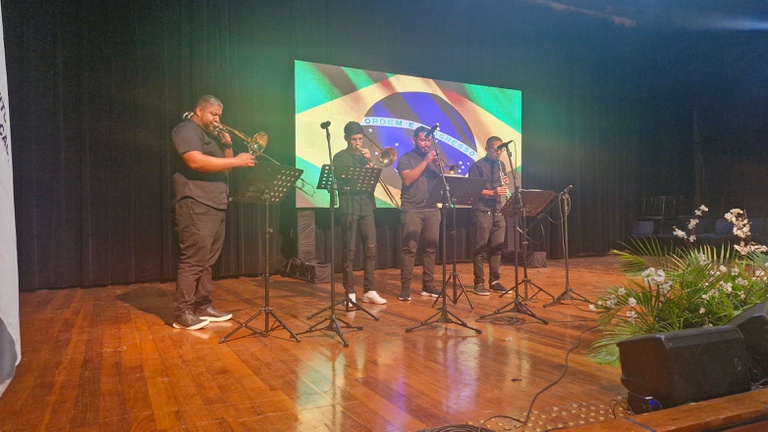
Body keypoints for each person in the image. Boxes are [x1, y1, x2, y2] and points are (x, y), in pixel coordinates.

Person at [171, 95, 256, 330]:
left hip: (215, 204)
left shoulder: (210, 138)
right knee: (193, 261)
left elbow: (225, 170)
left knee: (207, 262)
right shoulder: (186, 129)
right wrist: (237, 160)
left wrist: (227, 147)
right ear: (199, 111)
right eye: (213, 114)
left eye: (219, 115)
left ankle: (202, 305)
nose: (217, 119)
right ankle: (182, 312)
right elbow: (195, 162)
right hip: (196, 202)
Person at [332, 121, 387, 305]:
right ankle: (349, 292)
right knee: (349, 251)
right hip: (349, 207)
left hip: (367, 206)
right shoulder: (340, 157)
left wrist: (370, 161)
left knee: (371, 249)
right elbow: (342, 182)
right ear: (346, 138)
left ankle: (369, 290)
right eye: (354, 139)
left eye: (360, 139)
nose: (358, 143)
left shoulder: (365, 158)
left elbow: (376, 179)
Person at [396, 126, 443, 301]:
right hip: (412, 209)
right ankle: (405, 288)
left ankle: (428, 285)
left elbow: (444, 180)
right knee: (410, 248)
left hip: (432, 209)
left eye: (428, 140)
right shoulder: (406, 158)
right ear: (414, 140)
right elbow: (407, 179)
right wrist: (425, 162)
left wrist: (439, 166)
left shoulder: (432, 160)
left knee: (431, 248)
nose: (426, 143)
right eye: (423, 140)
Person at [468, 136, 509, 296]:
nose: (498, 152)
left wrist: (505, 183)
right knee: (480, 248)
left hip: (498, 209)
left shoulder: (501, 165)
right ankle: (479, 282)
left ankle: (494, 281)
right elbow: (472, 190)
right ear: (487, 149)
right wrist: (492, 192)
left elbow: (501, 187)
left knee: (497, 246)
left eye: (501, 149)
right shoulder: (477, 167)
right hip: (482, 210)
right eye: (495, 149)